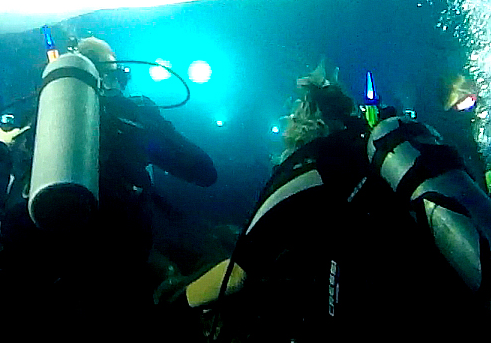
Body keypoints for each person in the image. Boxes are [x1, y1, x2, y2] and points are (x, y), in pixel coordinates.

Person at [168, 62, 458, 343]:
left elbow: (238, 274)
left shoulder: (312, 170)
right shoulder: (365, 160)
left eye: (291, 116)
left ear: (305, 118)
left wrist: (171, 309)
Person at [0, 35, 217, 340]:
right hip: (113, 264)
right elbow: (203, 170)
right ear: (114, 74)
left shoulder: (31, 117)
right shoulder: (131, 112)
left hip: (33, 259)